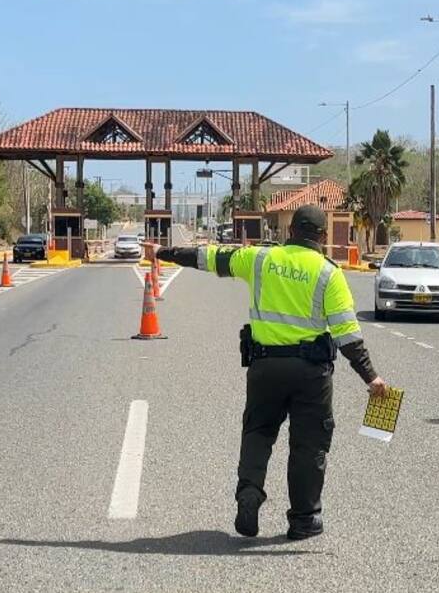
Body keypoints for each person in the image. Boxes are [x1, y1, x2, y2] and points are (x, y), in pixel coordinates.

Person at [147, 204, 388, 540]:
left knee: (258, 433)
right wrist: (370, 376)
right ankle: (304, 519)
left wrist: (163, 252)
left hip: (264, 367)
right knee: (308, 446)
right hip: (311, 375)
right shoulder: (328, 273)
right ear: (322, 236)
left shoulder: (260, 259)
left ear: (290, 231)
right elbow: (347, 334)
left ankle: (250, 491)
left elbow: (209, 257)